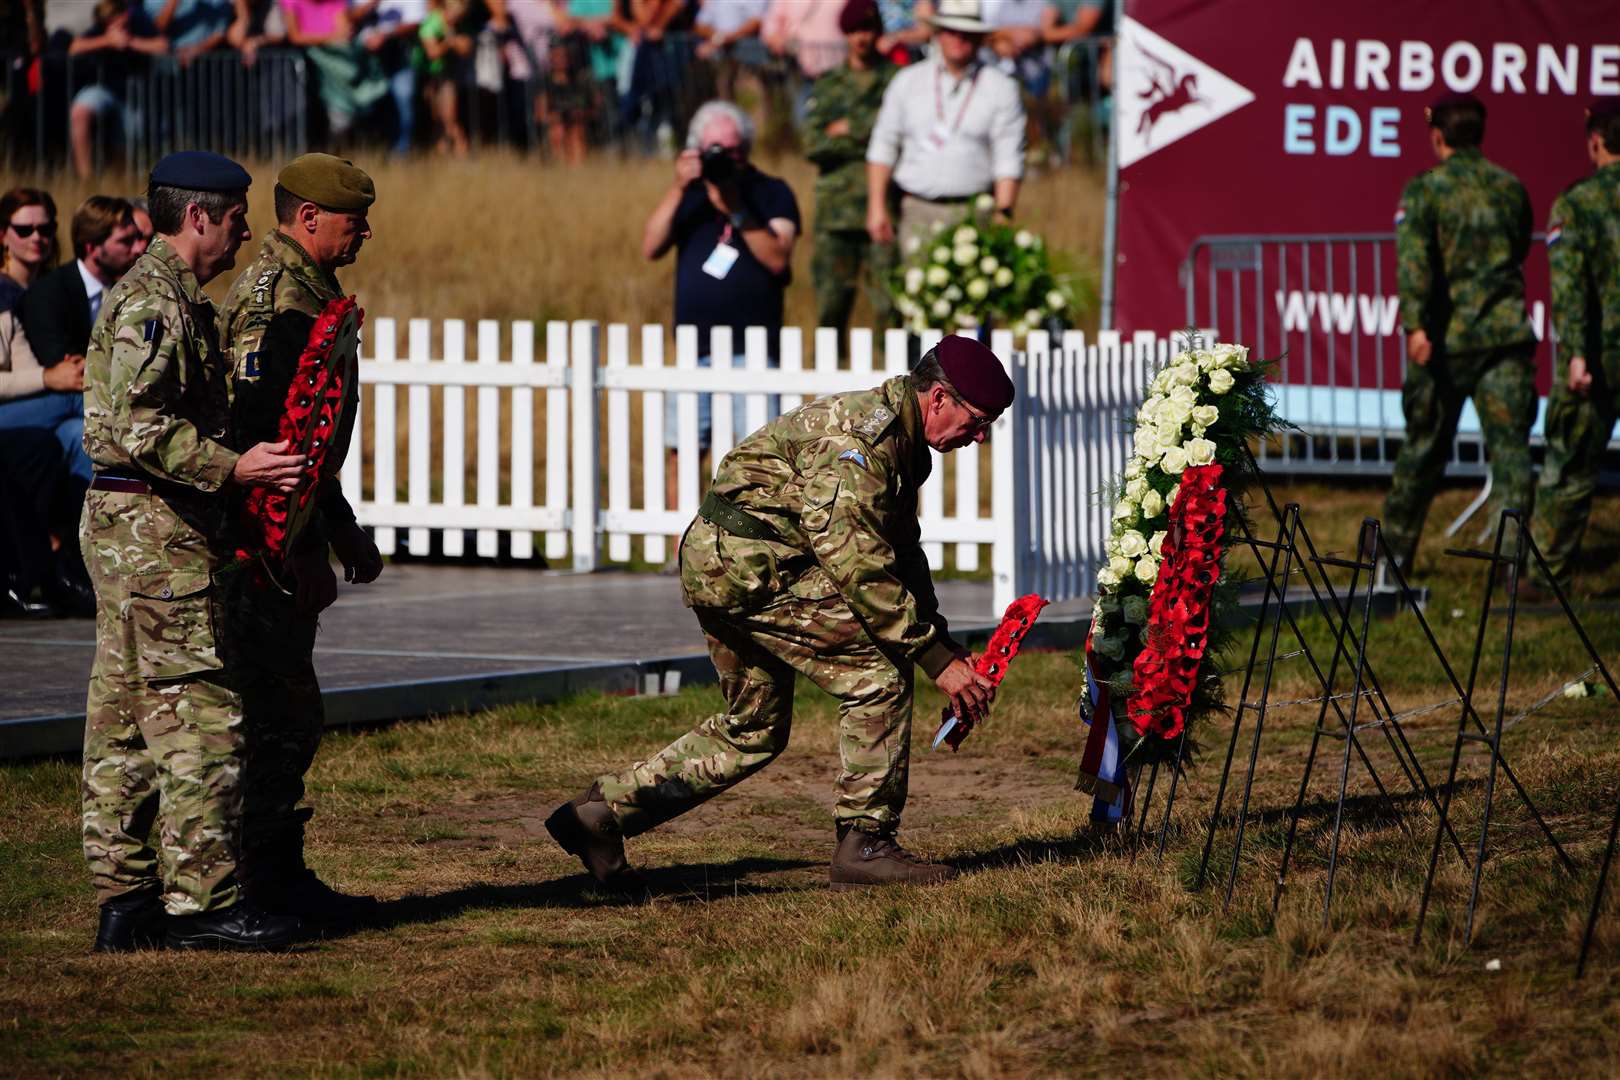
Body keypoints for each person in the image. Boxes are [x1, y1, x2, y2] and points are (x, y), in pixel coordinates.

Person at [546, 335, 1007, 890]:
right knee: (880, 678)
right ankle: (865, 843)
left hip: (730, 562)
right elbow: (856, 565)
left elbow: (900, 550)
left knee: (754, 728)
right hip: (752, 569)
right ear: (937, 398)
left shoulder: (901, 442)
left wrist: (944, 644)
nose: (980, 437)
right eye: (978, 420)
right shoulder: (861, 444)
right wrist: (932, 658)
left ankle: (601, 816)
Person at [81, 149, 309, 953]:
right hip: (153, 532)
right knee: (200, 714)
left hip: (136, 529)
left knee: (125, 720)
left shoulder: (162, 296)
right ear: (199, 217)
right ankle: (204, 903)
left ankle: (128, 900)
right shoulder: (155, 304)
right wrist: (233, 466)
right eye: (238, 218)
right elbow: (137, 427)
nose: (247, 233)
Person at [217, 153, 384, 927]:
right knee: (277, 714)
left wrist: (341, 528)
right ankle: (259, 881)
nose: (366, 232)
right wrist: (305, 547)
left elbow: (309, 438)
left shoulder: (301, 286)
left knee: (286, 709)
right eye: (354, 220)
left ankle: (274, 872)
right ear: (309, 216)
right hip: (264, 544)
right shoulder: (281, 302)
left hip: (290, 530)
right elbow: (267, 442)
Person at [1381, 94, 1536, 577]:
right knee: (1511, 455)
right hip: (1504, 337)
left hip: (1446, 342)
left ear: (1437, 136)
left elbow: (1414, 263)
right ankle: (1508, 567)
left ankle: (1389, 560)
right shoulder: (1510, 186)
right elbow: (1519, 244)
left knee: (1423, 450)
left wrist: (1417, 327)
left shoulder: (1426, 189)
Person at [644, 99, 799, 509]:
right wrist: (679, 187)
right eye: (714, 151)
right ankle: (678, 542)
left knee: (758, 456)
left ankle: (752, 545)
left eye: (731, 151)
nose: (723, 159)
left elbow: (779, 257)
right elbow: (650, 245)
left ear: (746, 149)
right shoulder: (689, 196)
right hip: (697, 350)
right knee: (684, 449)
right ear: (695, 150)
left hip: (755, 351)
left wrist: (736, 207)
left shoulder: (771, 192)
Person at [1530, 100, 1620, 596]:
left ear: (1596, 142)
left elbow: (1569, 288)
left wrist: (1578, 354)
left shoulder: (1578, 202)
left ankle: (1546, 579)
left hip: (1601, 357)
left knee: (1568, 468)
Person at [866, 0, 1025, 255]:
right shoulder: (908, 81)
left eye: (967, 32)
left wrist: (1003, 211)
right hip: (916, 209)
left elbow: (1008, 156)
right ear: (939, 34)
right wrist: (876, 206)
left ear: (979, 37)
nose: (958, 39)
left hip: (975, 211)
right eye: (951, 31)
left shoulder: (1000, 88)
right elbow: (883, 145)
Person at [13, 195, 148, 488]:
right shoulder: (50, 292)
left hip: (75, 412)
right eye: (126, 241)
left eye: (139, 238)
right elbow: (64, 369)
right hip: (57, 399)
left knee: (78, 433)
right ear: (92, 247)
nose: (139, 248)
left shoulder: (126, 290)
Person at [804, 0, 896, 331]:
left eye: (868, 29)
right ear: (845, 33)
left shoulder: (897, 81)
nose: (862, 38)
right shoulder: (828, 83)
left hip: (884, 208)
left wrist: (848, 127)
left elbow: (901, 135)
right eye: (855, 30)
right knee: (831, 307)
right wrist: (872, 132)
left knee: (889, 307)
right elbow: (813, 145)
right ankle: (824, 380)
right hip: (836, 214)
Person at [67, 0, 169, 179]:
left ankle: (118, 180)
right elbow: (75, 47)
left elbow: (162, 45)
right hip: (102, 88)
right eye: (109, 21)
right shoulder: (100, 28)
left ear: (125, 15)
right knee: (79, 112)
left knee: (127, 141)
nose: (114, 24)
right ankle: (86, 178)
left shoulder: (139, 21)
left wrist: (129, 42)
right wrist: (107, 41)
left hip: (134, 96)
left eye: (117, 19)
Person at [0, 187, 59, 312]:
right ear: (3, 235)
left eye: (45, 229)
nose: (36, 237)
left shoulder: (59, 287)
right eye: (24, 230)